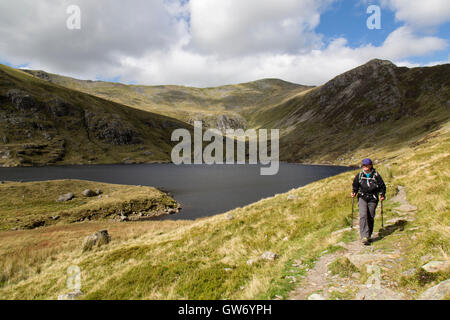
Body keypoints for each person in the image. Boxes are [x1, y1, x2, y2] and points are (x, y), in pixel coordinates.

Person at [351, 158, 386, 245]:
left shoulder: (376, 175)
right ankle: (364, 236)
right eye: (363, 165)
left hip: (373, 198)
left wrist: (382, 194)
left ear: (370, 165)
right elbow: (355, 185)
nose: (365, 167)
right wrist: (354, 192)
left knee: (370, 216)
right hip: (362, 197)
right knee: (363, 215)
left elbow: (382, 186)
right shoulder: (359, 175)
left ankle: (369, 235)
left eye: (366, 165)